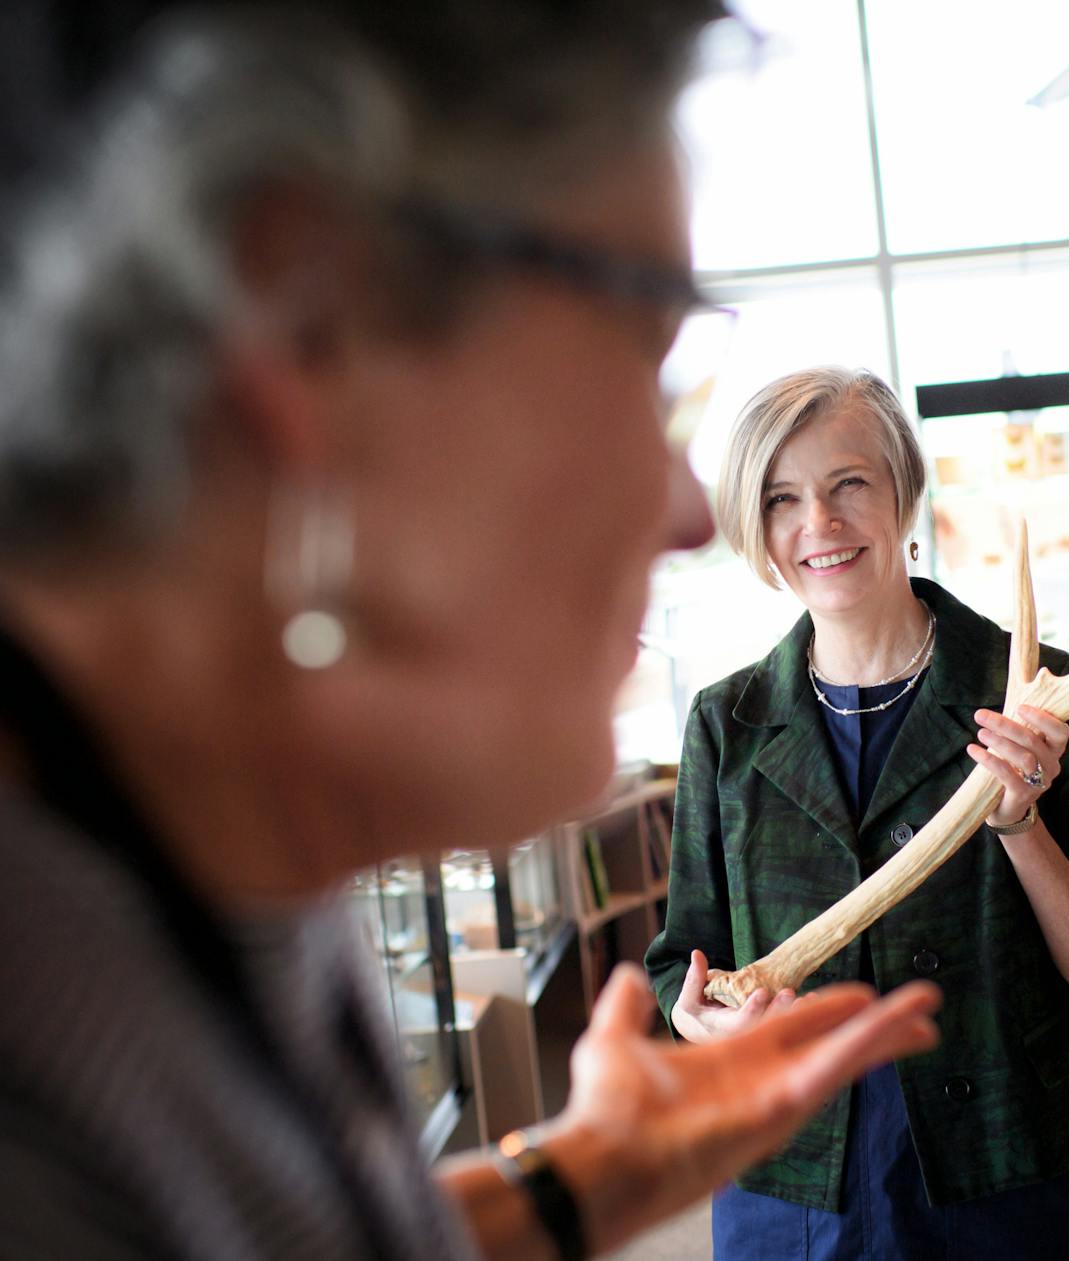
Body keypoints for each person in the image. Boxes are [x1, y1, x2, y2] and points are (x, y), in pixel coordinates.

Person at [0, 7, 945, 1261]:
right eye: (643, 347)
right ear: (307, 329)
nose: (681, 510)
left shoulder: (226, 865)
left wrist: (569, 1187)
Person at [645, 367, 1069, 1260]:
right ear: (756, 526)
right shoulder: (724, 724)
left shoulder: (1041, 694)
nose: (819, 523)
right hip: (797, 1175)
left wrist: (1021, 827)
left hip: (1013, 1171)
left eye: (848, 482)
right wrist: (700, 1019)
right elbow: (681, 964)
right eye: (783, 498)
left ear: (903, 491)